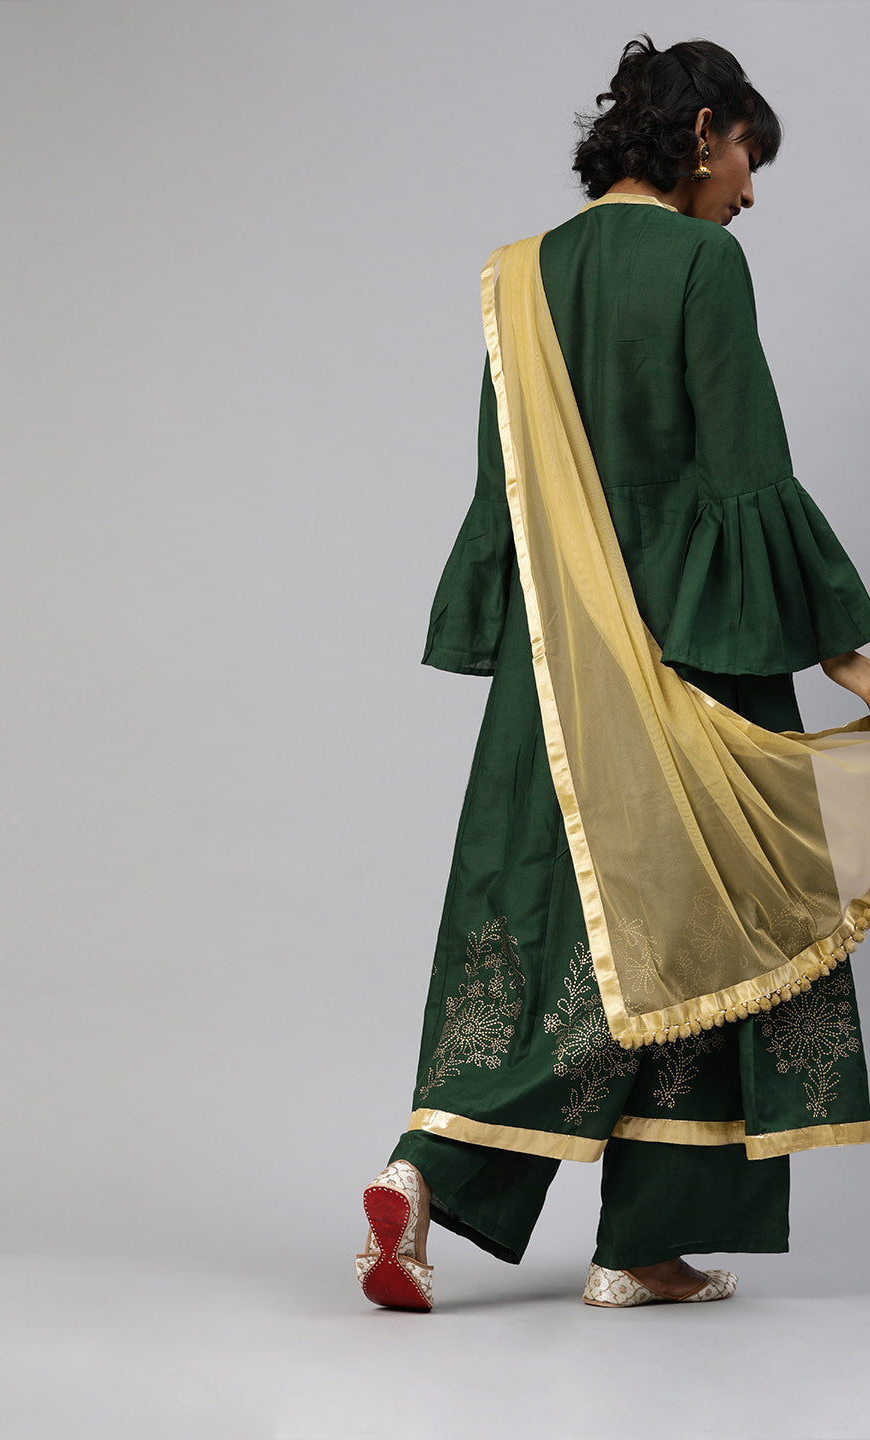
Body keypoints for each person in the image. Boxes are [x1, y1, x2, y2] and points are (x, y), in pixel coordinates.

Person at [355, 34, 870, 1312]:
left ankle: (427, 1170)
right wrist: (849, 653)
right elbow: (747, 474)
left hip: (558, 670)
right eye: (748, 156)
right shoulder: (703, 262)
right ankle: (640, 1244)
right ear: (702, 132)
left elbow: (506, 494)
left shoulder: (517, 277)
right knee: (719, 934)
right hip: (694, 651)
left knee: (553, 928)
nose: (749, 190)